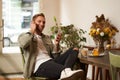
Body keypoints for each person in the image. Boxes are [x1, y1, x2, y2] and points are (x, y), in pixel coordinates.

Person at [18, 13, 85, 80]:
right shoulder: (24, 36)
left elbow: (56, 56)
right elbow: (23, 44)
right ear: (33, 23)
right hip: (39, 66)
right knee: (66, 71)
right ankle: (66, 72)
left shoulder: (46, 38)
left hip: (51, 61)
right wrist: (32, 31)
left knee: (74, 49)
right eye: (39, 21)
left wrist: (56, 44)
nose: (42, 24)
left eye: (44, 22)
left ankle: (66, 74)